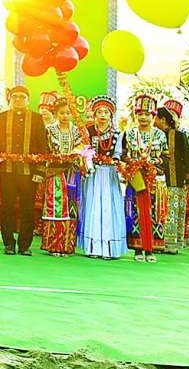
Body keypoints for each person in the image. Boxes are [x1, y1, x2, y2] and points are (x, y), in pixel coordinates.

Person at [0, 85, 50, 256]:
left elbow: (42, 146)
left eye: (22, 97)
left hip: (29, 172)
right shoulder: (2, 117)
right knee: (7, 207)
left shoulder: (36, 118)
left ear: (28, 100)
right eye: (15, 97)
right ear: (10, 99)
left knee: (27, 209)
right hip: (7, 171)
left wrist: (40, 171)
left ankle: (25, 245)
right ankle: (8, 244)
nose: (18, 100)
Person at [121, 94, 168, 263]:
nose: (143, 118)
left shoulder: (160, 135)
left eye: (147, 114)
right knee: (135, 212)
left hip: (154, 178)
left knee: (153, 213)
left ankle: (151, 249)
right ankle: (138, 248)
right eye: (140, 114)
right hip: (136, 177)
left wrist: (152, 163)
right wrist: (133, 163)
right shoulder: (129, 134)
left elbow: (166, 157)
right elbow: (123, 155)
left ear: (153, 115)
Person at [79, 97, 126, 260]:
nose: (103, 115)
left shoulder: (117, 134)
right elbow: (83, 150)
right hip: (93, 174)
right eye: (99, 112)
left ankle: (109, 248)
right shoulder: (87, 131)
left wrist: (116, 162)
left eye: (106, 112)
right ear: (94, 114)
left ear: (111, 115)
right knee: (93, 206)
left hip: (109, 174)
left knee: (108, 207)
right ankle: (93, 247)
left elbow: (118, 153)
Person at [41, 97, 84, 257]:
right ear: (56, 114)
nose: (65, 116)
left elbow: (82, 148)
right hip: (54, 172)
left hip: (71, 173)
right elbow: (45, 151)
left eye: (68, 113)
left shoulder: (77, 131)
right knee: (55, 206)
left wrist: (74, 155)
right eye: (62, 113)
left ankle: (67, 246)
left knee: (71, 209)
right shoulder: (49, 130)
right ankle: (53, 246)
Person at [155, 101, 189, 255]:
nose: (154, 121)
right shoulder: (155, 134)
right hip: (158, 180)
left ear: (163, 120)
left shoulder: (179, 135)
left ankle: (172, 243)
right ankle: (160, 241)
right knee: (162, 209)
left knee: (173, 210)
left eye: (156, 118)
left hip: (176, 179)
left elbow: (188, 158)